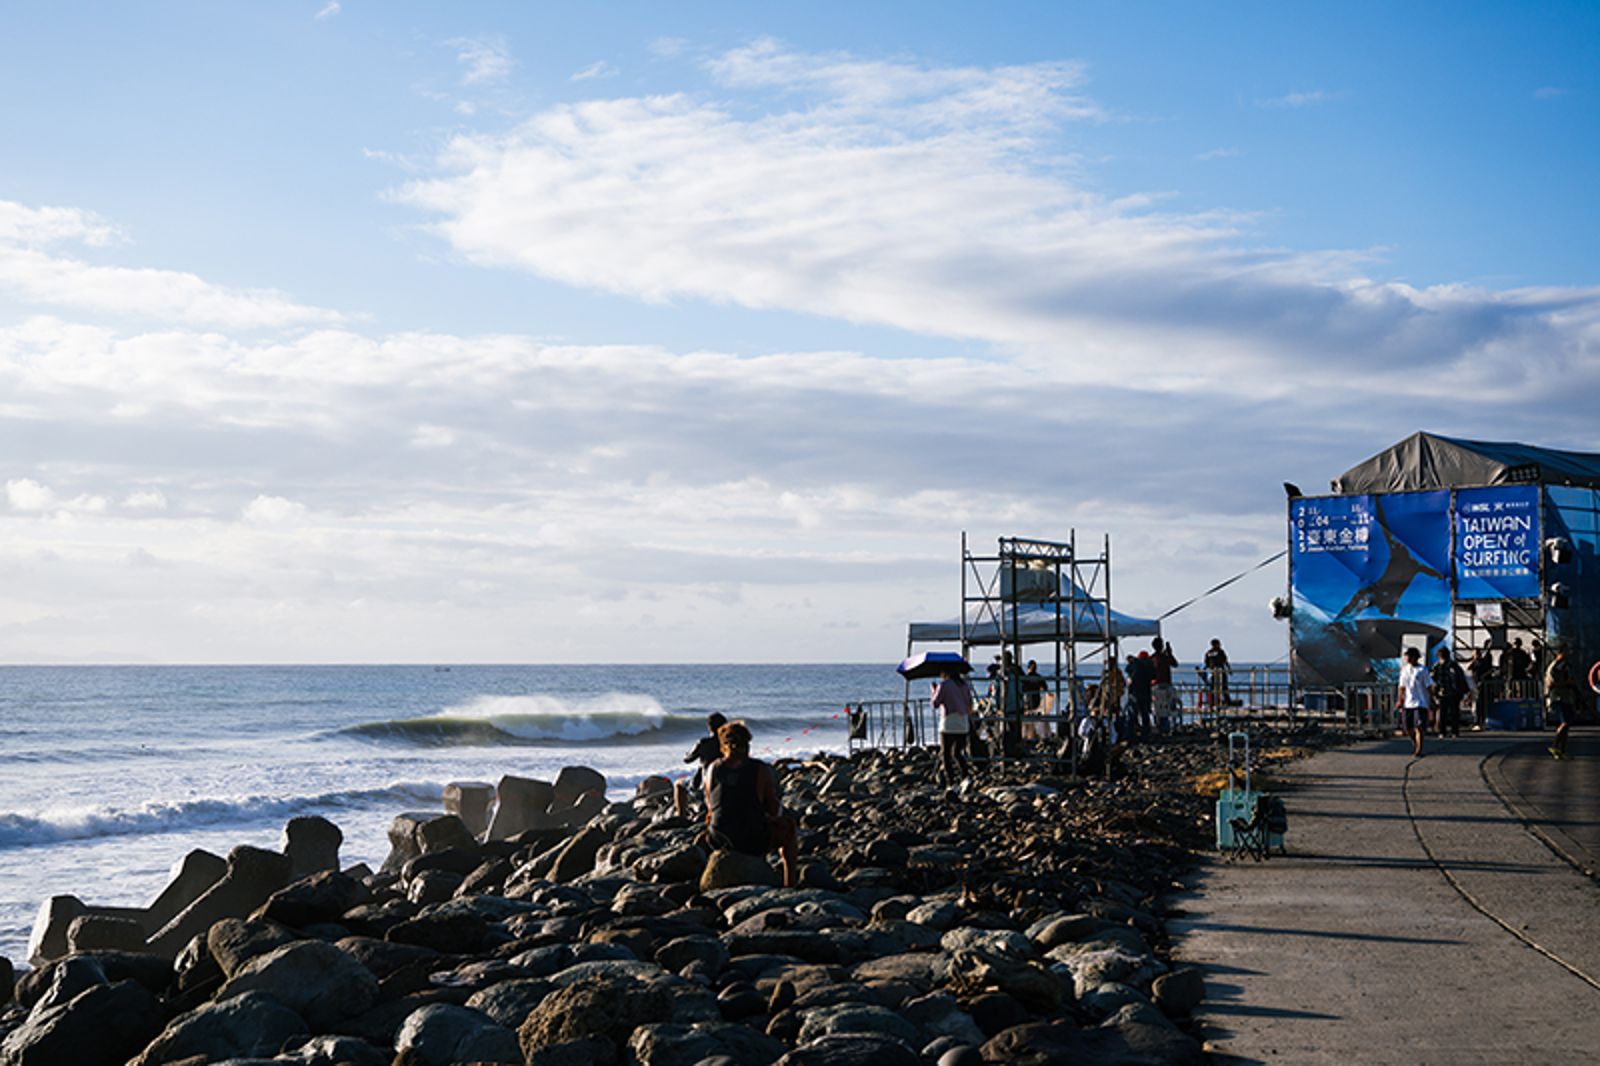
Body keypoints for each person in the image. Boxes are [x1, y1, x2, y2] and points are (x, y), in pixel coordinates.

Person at [704, 720, 799, 887]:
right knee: (788, 827)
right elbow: (772, 806)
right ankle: (789, 884)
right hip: (750, 839)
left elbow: (711, 804)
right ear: (747, 743)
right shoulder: (759, 769)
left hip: (719, 837)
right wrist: (776, 816)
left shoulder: (712, 768)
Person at [675, 712, 728, 815]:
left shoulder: (703, 743)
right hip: (723, 783)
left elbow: (687, 759)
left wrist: (689, 753)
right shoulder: (728, 743)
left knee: (679, 784)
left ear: (709, 727)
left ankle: (681, 816)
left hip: (703, 784)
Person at [932, 668, 973, 784]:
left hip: (948, 722)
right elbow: (969, 703)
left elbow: (935, 703)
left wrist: (934, 691)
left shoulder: (944, 685)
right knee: (957, 753)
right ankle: (966, 776)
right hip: (963, 722)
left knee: (946, 754)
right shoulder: (964, 685)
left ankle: (951, 782)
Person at [1397, 646, 1430, 758]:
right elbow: (1402, 686)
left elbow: (1429, 685)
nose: (1407, 658)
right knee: (1408, 728)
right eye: (1406, 656)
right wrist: (1399, 699)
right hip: (1408, 702)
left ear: (1415, 657)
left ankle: (1419, 750)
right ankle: (1415, 742)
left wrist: (1432, 699)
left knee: (1419, 727)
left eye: (1409, 656)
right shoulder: (1405, 670)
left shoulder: (1423, 670)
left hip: (1420, 702)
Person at [1545, 647, 1578, 759]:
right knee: (1565, 722)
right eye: (1565, 653)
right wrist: (1567, 682)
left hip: (1566, 698)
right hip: (1558, 698)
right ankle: (1555, 745)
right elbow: (1552, 684)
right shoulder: (1554, 667)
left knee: (1567, 724)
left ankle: (1562, 750)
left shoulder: (1565, 666)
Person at [1430, 647, 1468, 739]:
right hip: (1452, 692)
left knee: (1444, 713)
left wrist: (1434, 692)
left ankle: (1443, 732)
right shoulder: (1453, 665)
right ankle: (1454, 731)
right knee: (1453, 713)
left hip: (1443, 692)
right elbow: (1460, 678)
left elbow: (1432, 679)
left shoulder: (1436, 666)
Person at [1151, 637, 1178, 735]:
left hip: (1157, 685)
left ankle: (1161, 726)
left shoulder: (1152, 658)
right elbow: (1175, 664)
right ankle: (1167, 726)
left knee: (1158, 708)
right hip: (1164, 685)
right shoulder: (1164, 657)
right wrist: (1170, 653)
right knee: (1169, 707)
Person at [1126, 651, 1155, 742]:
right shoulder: (1149, 665)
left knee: (1133, 713)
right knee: (1144, 713)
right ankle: (1145, 733)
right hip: (1146, 692)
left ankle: (1132, 733)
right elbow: (1153, 676)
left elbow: (1127, 670)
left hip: (1135, 691)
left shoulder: (1135, 664)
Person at [1466, 645, 1495, 727]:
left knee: (1481, 704)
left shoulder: (1482, 662)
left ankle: (1480, 720)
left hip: (1481, 685)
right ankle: (1478, 720)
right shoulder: (1474, 663)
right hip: (1475, 685)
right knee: (1476, 704)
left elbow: (1489, 671)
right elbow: (1469, 670)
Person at [1021, 660, 1048, 740]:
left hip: (1030, 701)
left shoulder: (1027, 678)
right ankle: (1033, 735)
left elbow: (1022, 689)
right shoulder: (1038, 677)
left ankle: (1030, 736)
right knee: (1033, 719)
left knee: (1029, 719)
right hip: (1035, 701)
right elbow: (1045, 688)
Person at [1203, 638, 1232, 707]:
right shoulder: (1220, 652)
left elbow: (1206, 663)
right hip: (1219, 671)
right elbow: (1225, 661)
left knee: (1214, 687)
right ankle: (1226, 702)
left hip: (1213, 672)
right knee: (1223, 687)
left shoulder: (1208, 653)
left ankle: (1214, 702)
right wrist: (1229, 669)